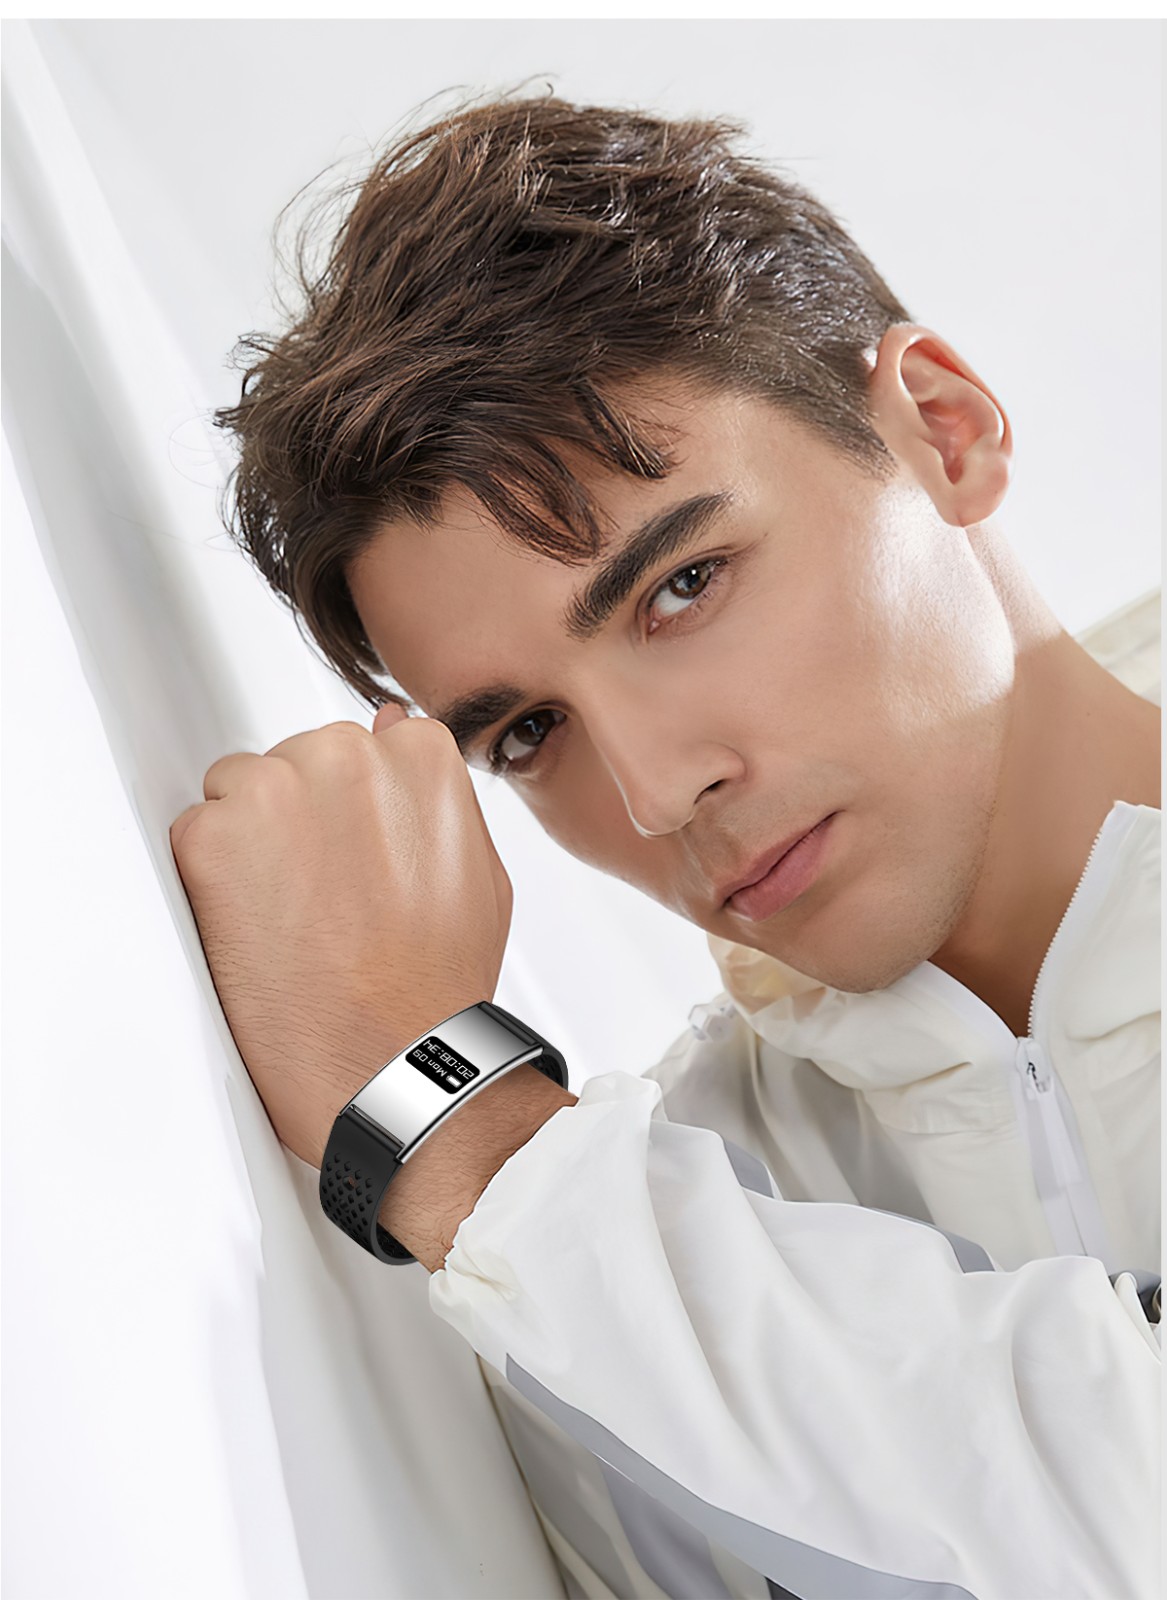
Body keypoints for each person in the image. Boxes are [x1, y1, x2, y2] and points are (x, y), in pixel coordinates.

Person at [170, 96, 1161, 1599]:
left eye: (683, 585)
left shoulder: (556, 1225)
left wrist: (462, 1136)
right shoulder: (646, 1225)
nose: (651, 791)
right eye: (528, 733)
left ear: (943, 433)